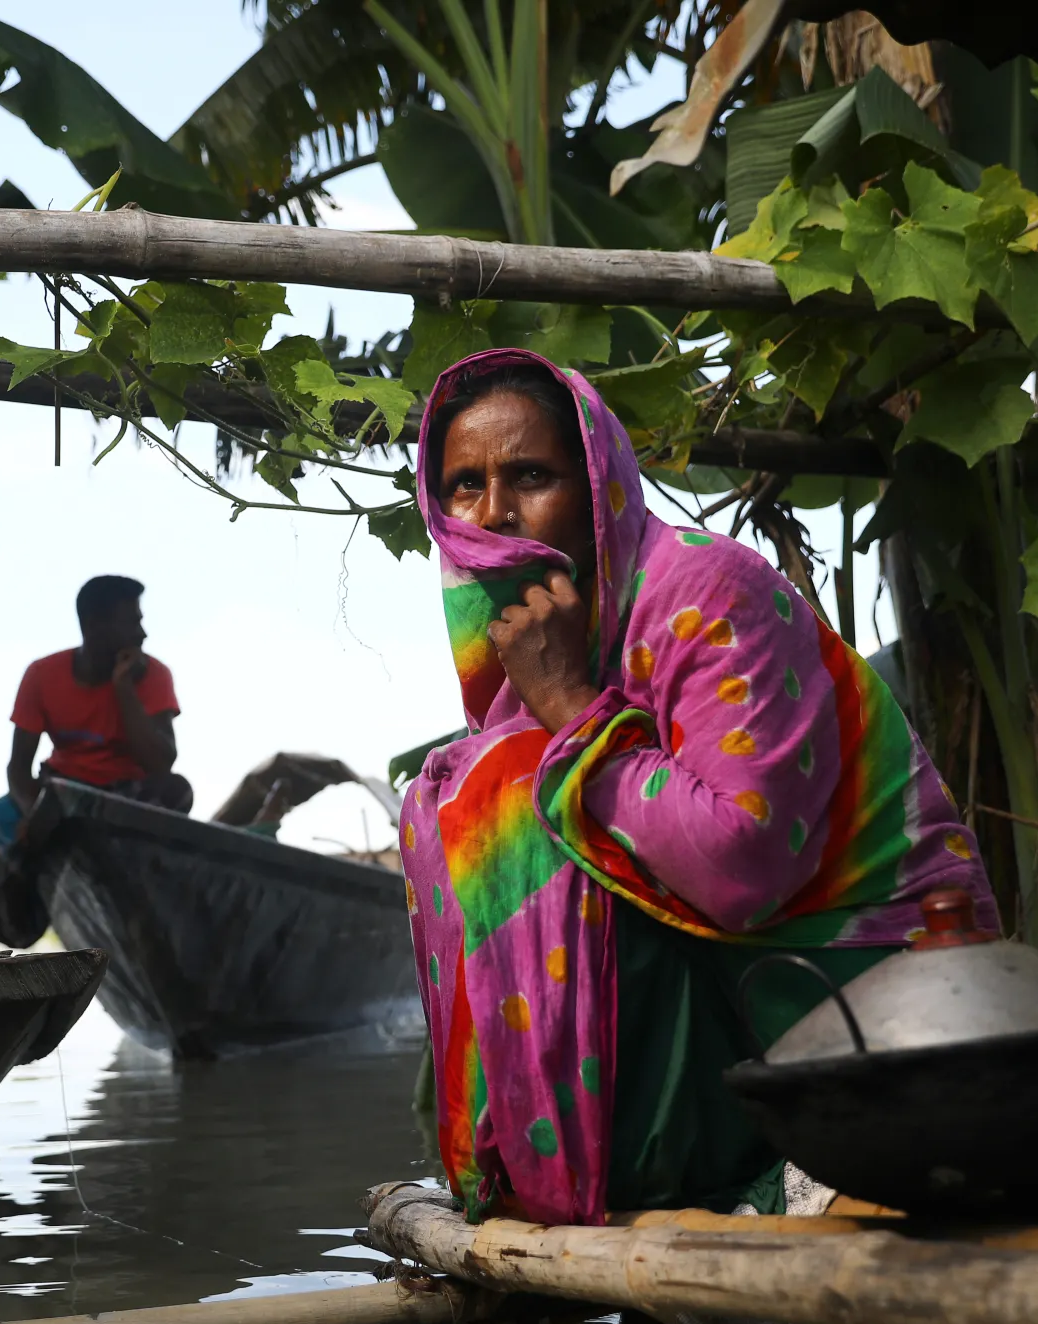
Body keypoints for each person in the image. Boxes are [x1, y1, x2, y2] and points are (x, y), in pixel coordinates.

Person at [399, 349, 994, 1228]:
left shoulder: (708, 592)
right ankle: (530, 1174)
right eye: (463, 486)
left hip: (867, 997)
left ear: (596, 483)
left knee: (518, 792)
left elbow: (739, 867)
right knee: (448, 795)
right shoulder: (528, 633)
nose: (493, 514)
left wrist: (571, 711)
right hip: (729, 999)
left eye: (530, 476)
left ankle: (640, 1178)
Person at [0, 575, 189, 959]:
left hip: (121, 798)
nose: (143, 633)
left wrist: (124, 689)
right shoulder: (43, 674)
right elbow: (18, 767)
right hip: (57, 794)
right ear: (94, 626)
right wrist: (31, 812)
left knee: (178, 789)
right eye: (132, 622)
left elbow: (161, 763)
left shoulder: (153, 675)